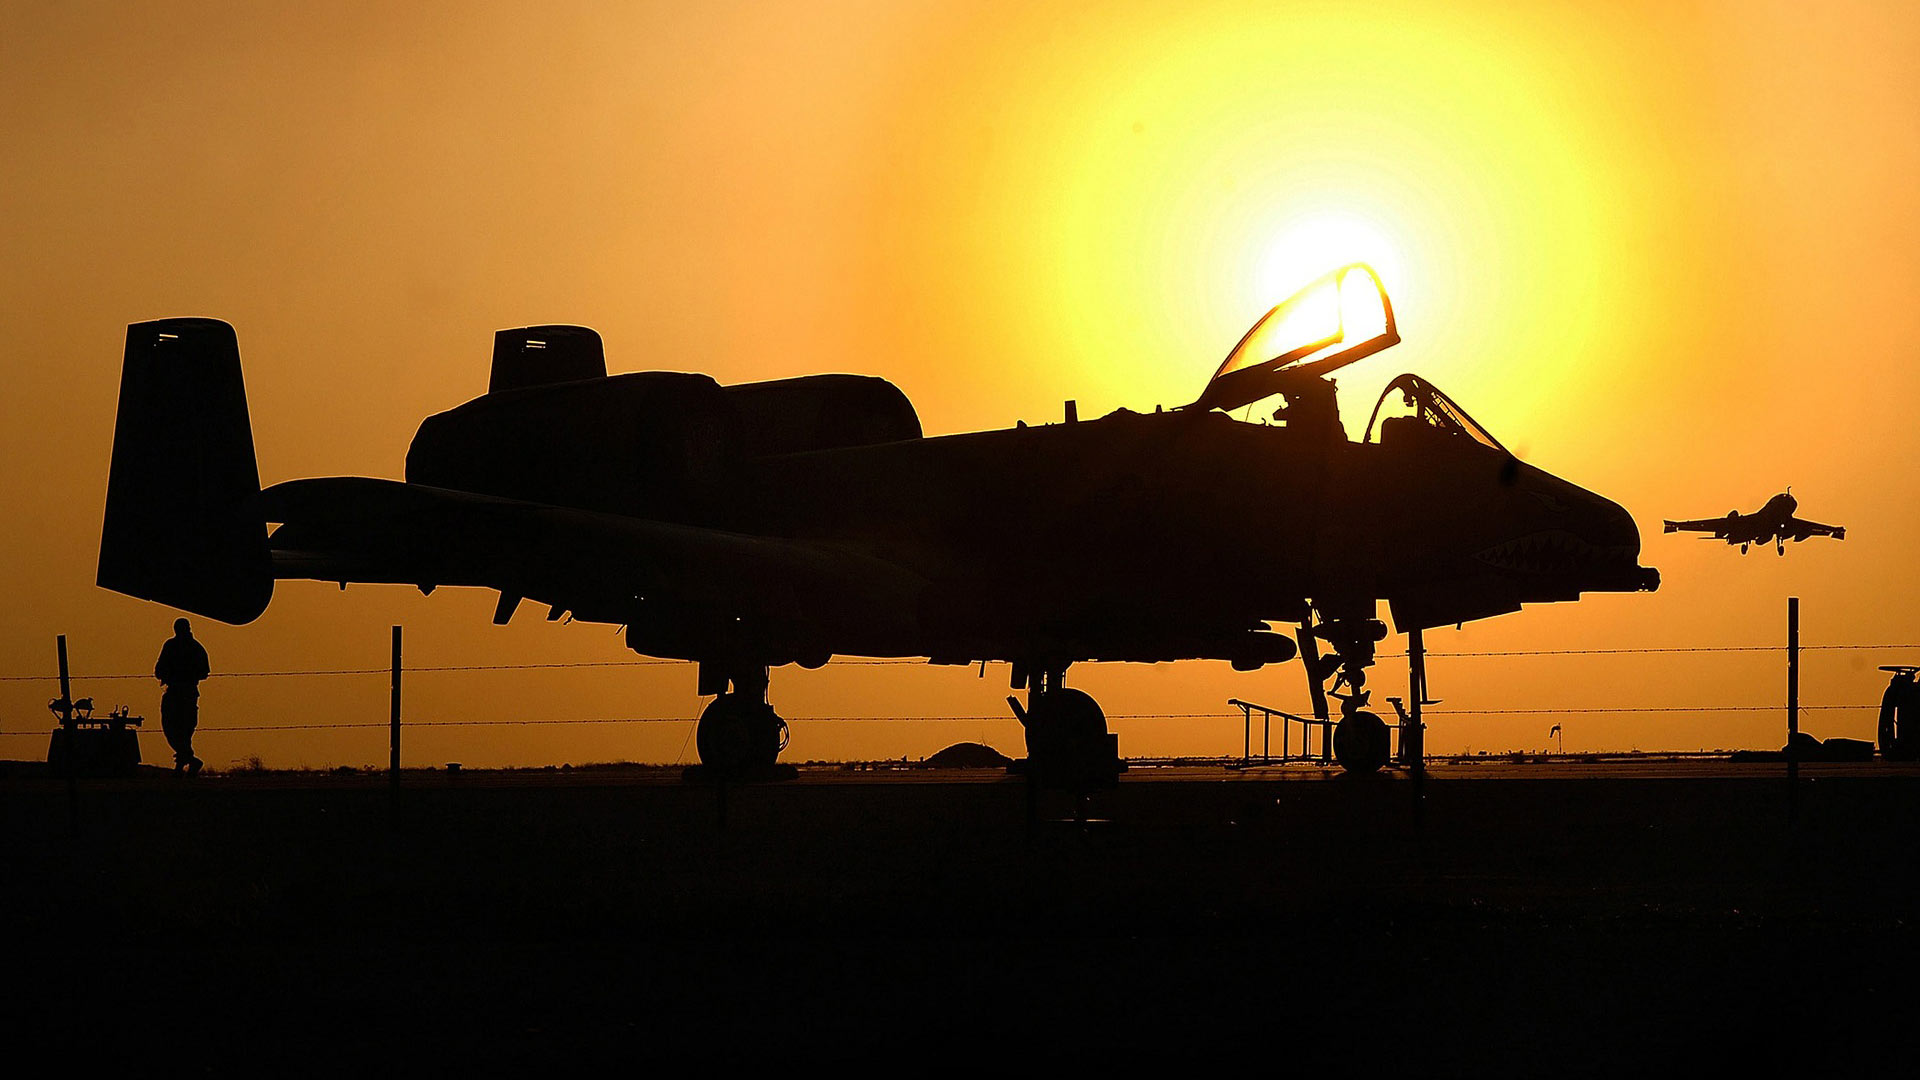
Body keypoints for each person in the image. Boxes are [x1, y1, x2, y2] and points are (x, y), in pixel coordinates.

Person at [154, 617, 210, 775]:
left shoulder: (193, 648)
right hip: (178, 692)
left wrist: (182, 675)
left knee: (183, 730)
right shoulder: (175, 646)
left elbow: (204, 671)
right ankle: (189, 761)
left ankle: (184, 764)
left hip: (185, 693)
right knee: (172, 728)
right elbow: (159, 670)